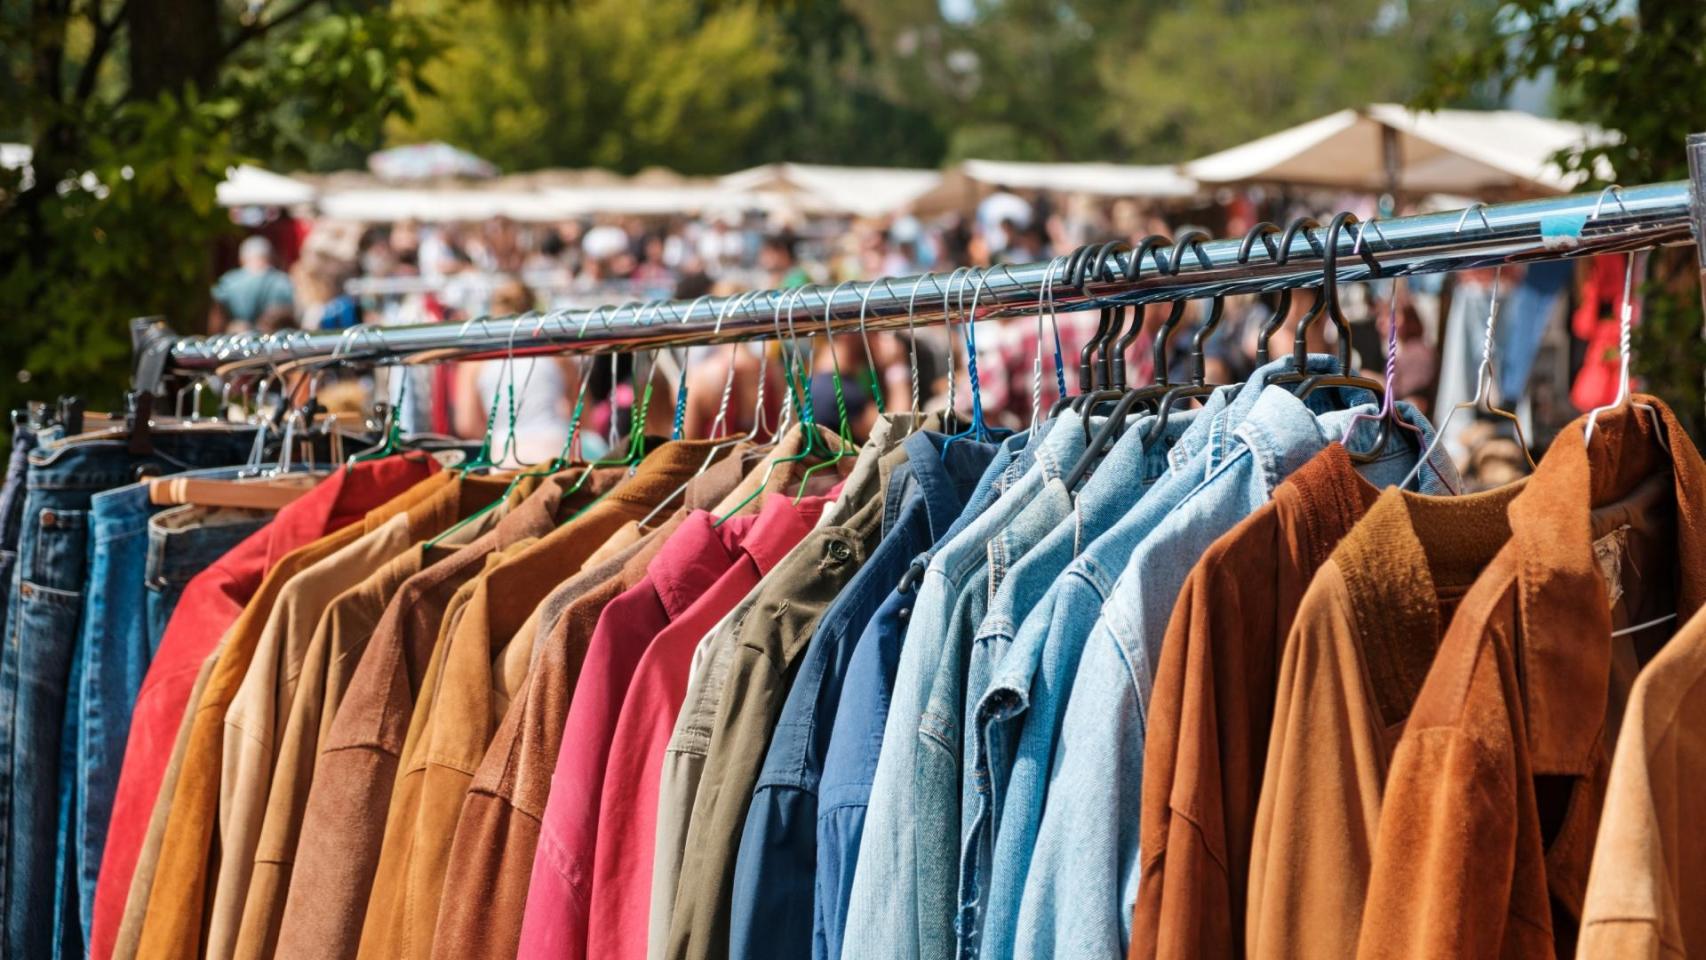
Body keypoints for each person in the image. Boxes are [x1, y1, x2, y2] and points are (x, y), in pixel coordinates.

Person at [210, 236, 295, 333]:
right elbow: (287, 313)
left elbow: (217, 316)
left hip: (236, 340)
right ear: (271, 257)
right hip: (271, 340)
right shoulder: (282, 281)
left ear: (241, 259)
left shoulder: (228, 282)